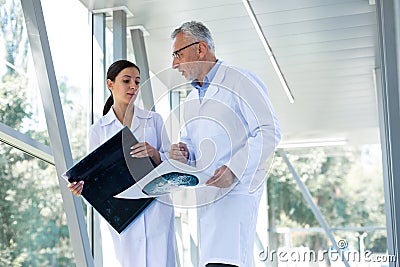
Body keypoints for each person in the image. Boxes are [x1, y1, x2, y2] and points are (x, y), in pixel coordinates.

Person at [169, 21, 281, 267]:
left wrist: (234, 169)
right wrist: (184, 152)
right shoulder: (190, 98)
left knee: (228, 261)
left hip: (236, 196)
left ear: (200, 49)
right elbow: (191, 143)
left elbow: (269, 131)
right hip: (207, 202)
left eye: (178, 54)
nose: (174, 64)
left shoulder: (240, 81)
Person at [68, 60, 176, 267]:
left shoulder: (153, 120)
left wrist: (154, 153)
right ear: (110, 84)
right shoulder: (98, 129)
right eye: (126, 81)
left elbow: (171, 165)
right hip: (120, 213)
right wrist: (81, 186)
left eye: (137, 81)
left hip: (155, 209)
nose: (133, 86)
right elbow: (92, 176)